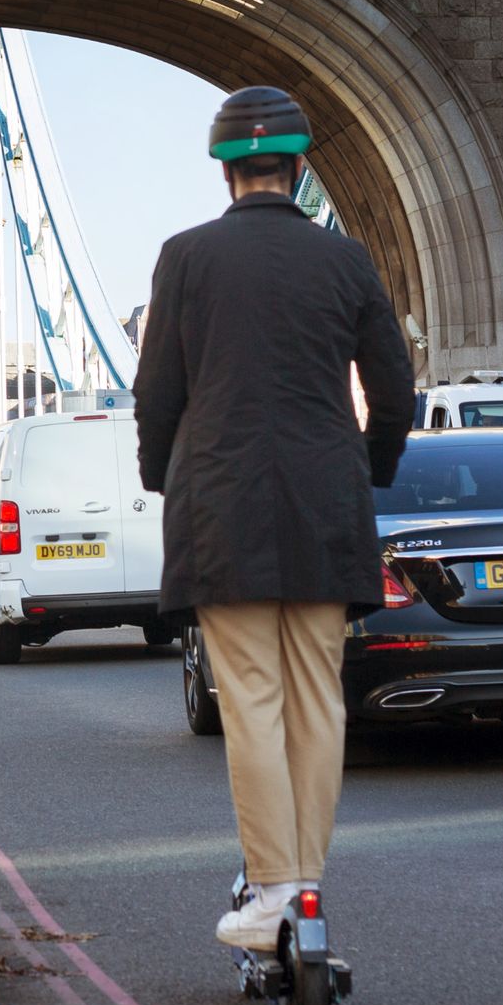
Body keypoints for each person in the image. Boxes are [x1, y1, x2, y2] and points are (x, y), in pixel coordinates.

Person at [133, 86, 417, 951]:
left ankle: (272, 892)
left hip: (223, 506)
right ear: (298, 169)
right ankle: (309, 888)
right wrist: (369, 468)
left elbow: (157, 397)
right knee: (318, 699)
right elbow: (398, 391)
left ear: (225, 170)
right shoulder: (349, 260)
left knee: (252, 700)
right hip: (326, 503)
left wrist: (164, 478)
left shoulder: (183, 259)